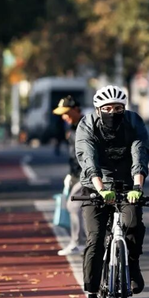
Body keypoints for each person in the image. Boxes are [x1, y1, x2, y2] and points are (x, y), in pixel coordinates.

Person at [75, 85, 149, 298]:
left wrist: (137, 188)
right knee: (95, 238)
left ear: (124, 108)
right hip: (94, 185)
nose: (112, 112)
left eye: (118, 108)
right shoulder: (87, 125)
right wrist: (100, 188)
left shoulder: (133, 122)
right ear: (98, 110)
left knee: (133, 223)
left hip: (127, 183)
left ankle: (133, 264)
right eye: (107, 108)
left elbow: (140, 152)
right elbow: (88, 159)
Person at [52, 96, 86, 257]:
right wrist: (71, 175)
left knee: (73, 205)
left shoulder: (85, 126)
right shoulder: (72, 127)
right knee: (80, 207)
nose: (64, 116)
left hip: (87, 174)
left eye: (66, 112)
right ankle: (84, 242)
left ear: (75, 109)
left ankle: (78, 243)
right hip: (76, 174)